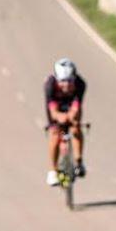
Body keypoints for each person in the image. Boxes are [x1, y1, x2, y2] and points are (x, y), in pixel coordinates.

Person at [44, 58, 87, 186]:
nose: (66, 85)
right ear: (57, 79)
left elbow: (76, 106)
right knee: (55, 132)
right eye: (62, 81)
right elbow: (52, 111)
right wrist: (58, 116)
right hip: (56, 106)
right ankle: (53, 170)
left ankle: (79, 162)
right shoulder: (49, 85)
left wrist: (71, 116)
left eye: (69, 81)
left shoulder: (80, 84)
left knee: (75, 127)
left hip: (71, 105)